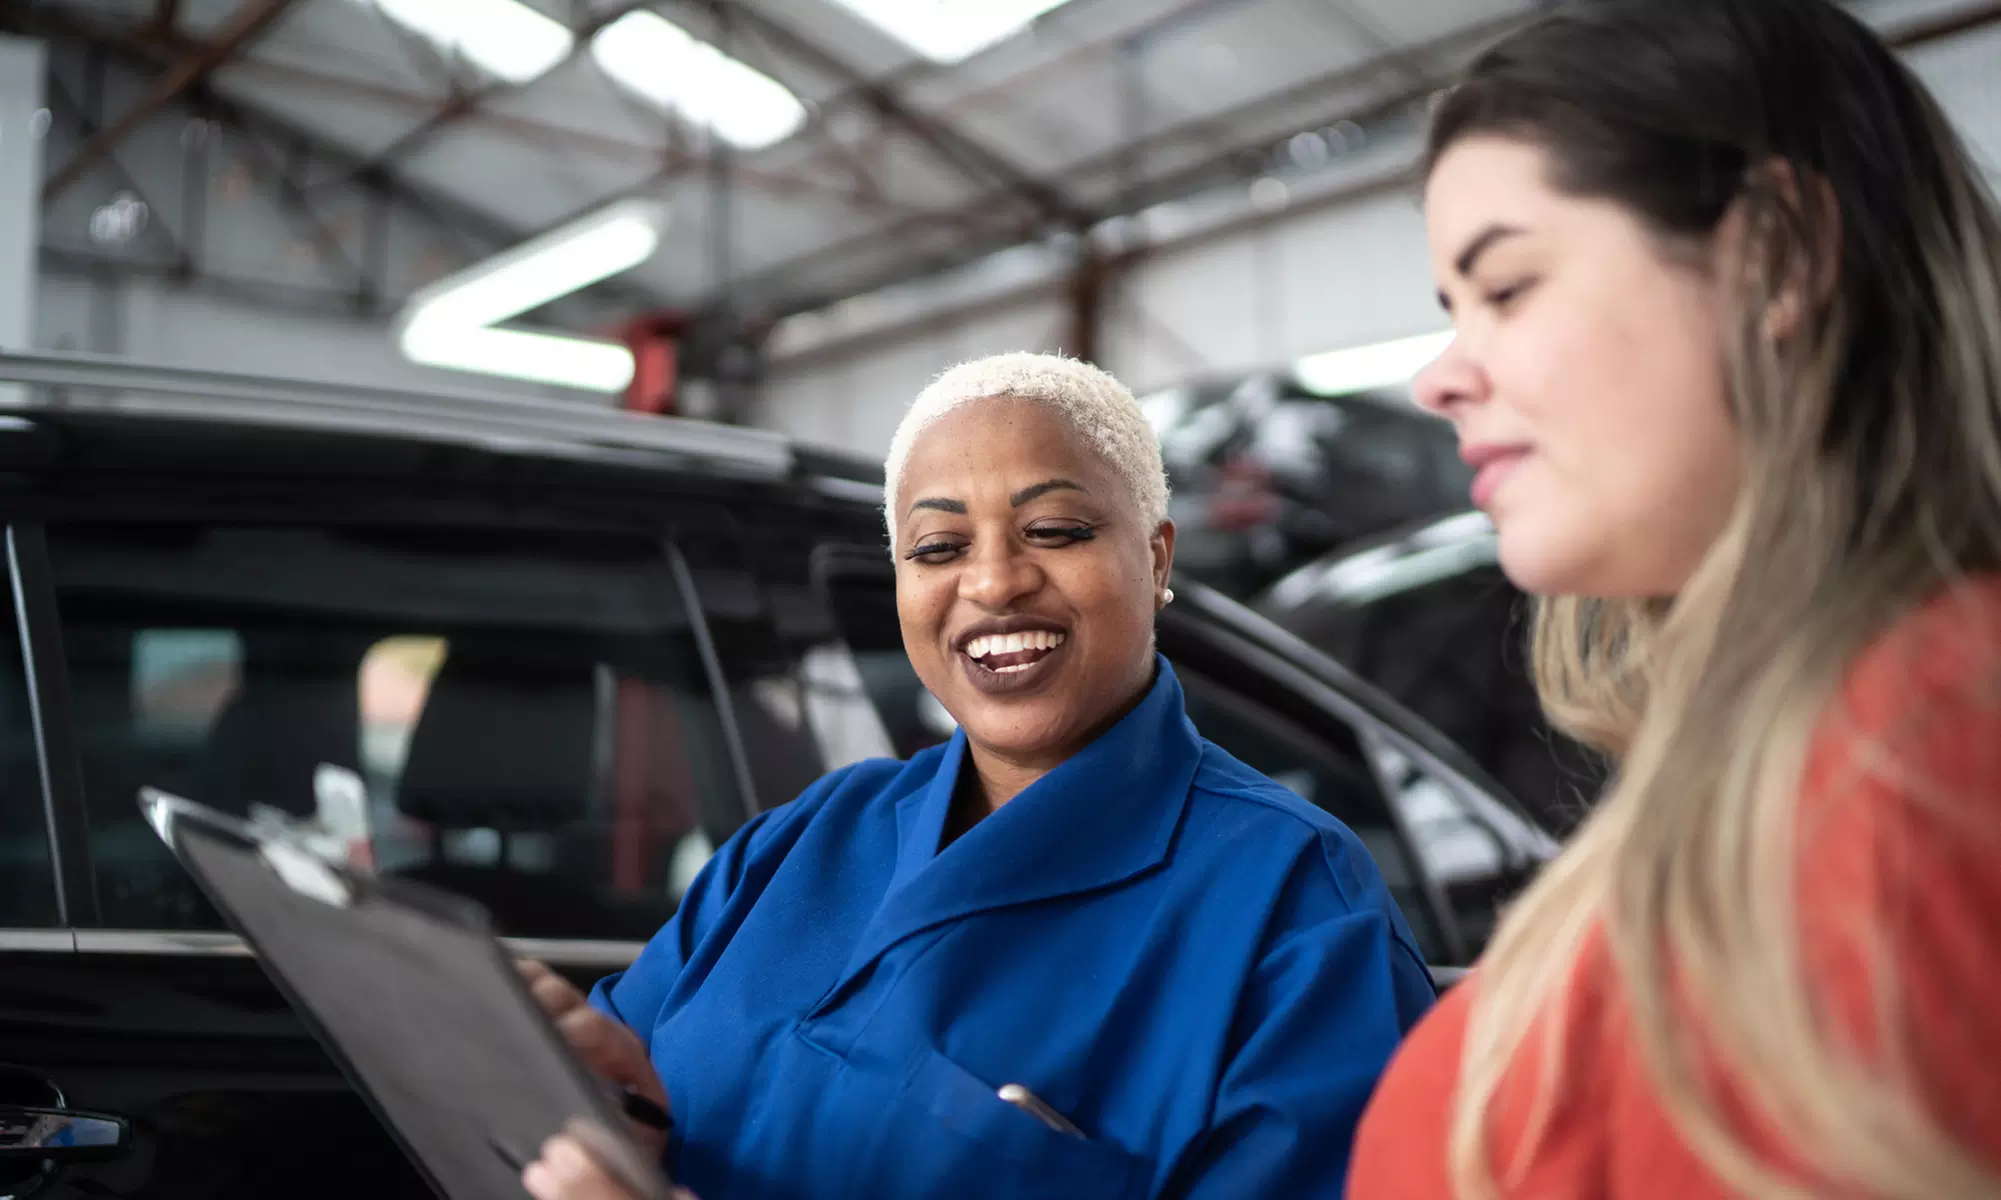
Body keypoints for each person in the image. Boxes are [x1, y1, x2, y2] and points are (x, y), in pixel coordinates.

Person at [1347, 1, 2001, 1197]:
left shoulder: (1927, 750)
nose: (1435, 375)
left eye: (1507, 287)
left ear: (1781, 258)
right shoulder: (1788, 754)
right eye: (1450, 310)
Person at [520, 351, 1437, 1200]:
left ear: (1155, 559)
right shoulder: (803, 840)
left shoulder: (1294, 911)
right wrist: (610, 1101)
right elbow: (621, 1096)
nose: (993, 582)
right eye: (938, 548)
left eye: (1053, 528)